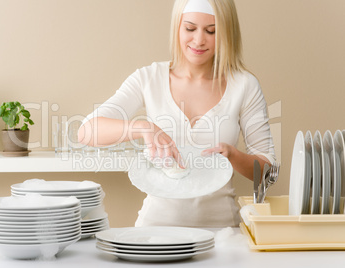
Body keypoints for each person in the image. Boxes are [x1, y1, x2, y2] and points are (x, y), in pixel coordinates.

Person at [78, 0, 275, 228]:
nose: (199, 40)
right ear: (177, 27)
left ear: (227, 33)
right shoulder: (148, 78)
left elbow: (267, 172)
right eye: (190, 28)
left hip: (221, 234)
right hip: (155, 232)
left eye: (211, 31)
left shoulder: (244, 85)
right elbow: (86, 132)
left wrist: (232, 155)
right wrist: (144, 127)